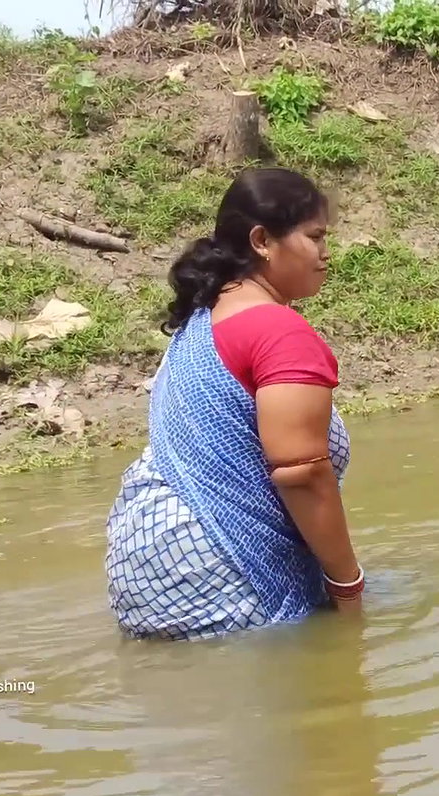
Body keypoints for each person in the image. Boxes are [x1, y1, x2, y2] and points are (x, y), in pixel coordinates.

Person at [104, 167, 363, 640]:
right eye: (315, 237)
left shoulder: (202, 320)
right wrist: (349, 586)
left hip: (144, 569)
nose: (326, 254)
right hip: (223, 572)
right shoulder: (277, 331)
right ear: (263, 240)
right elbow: (302, 474)